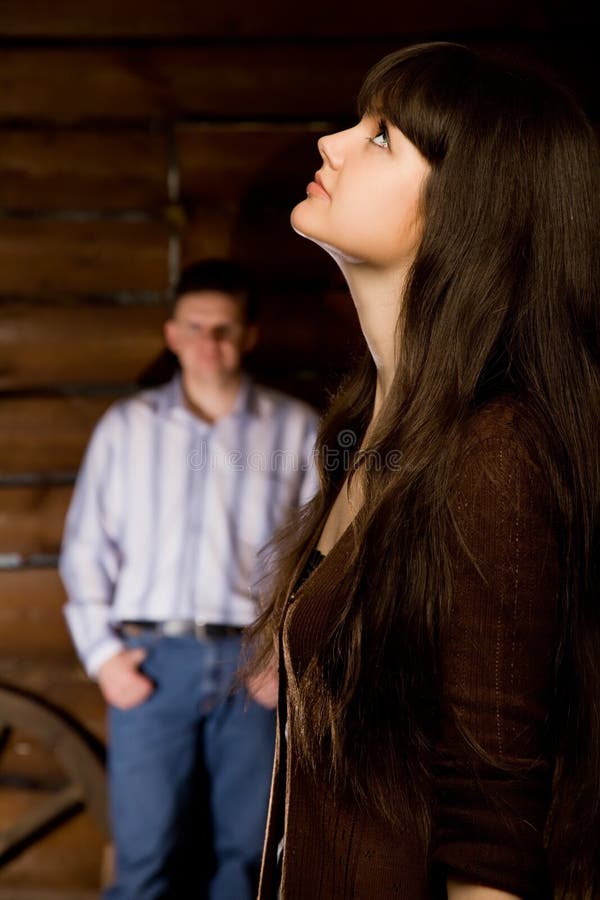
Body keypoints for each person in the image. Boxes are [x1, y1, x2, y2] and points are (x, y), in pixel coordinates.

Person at [246, 42, 600, 900]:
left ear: (465, 211)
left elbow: (492, 836)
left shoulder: (497, 451)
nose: (331, 142)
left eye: (379, 138)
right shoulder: (368, 432)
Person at [59, 259, 319, 900]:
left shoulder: (297, 430)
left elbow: (319, 558)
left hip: (252, 666)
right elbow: (86, 547)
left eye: (224, 329)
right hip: (150, 662)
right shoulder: (127, 428)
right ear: (172, 333)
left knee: (248, 862)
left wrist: (283, 661)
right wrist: (104, 658)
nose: (210, 344)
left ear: (249, 335)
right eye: (196, 328)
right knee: (144, 863)